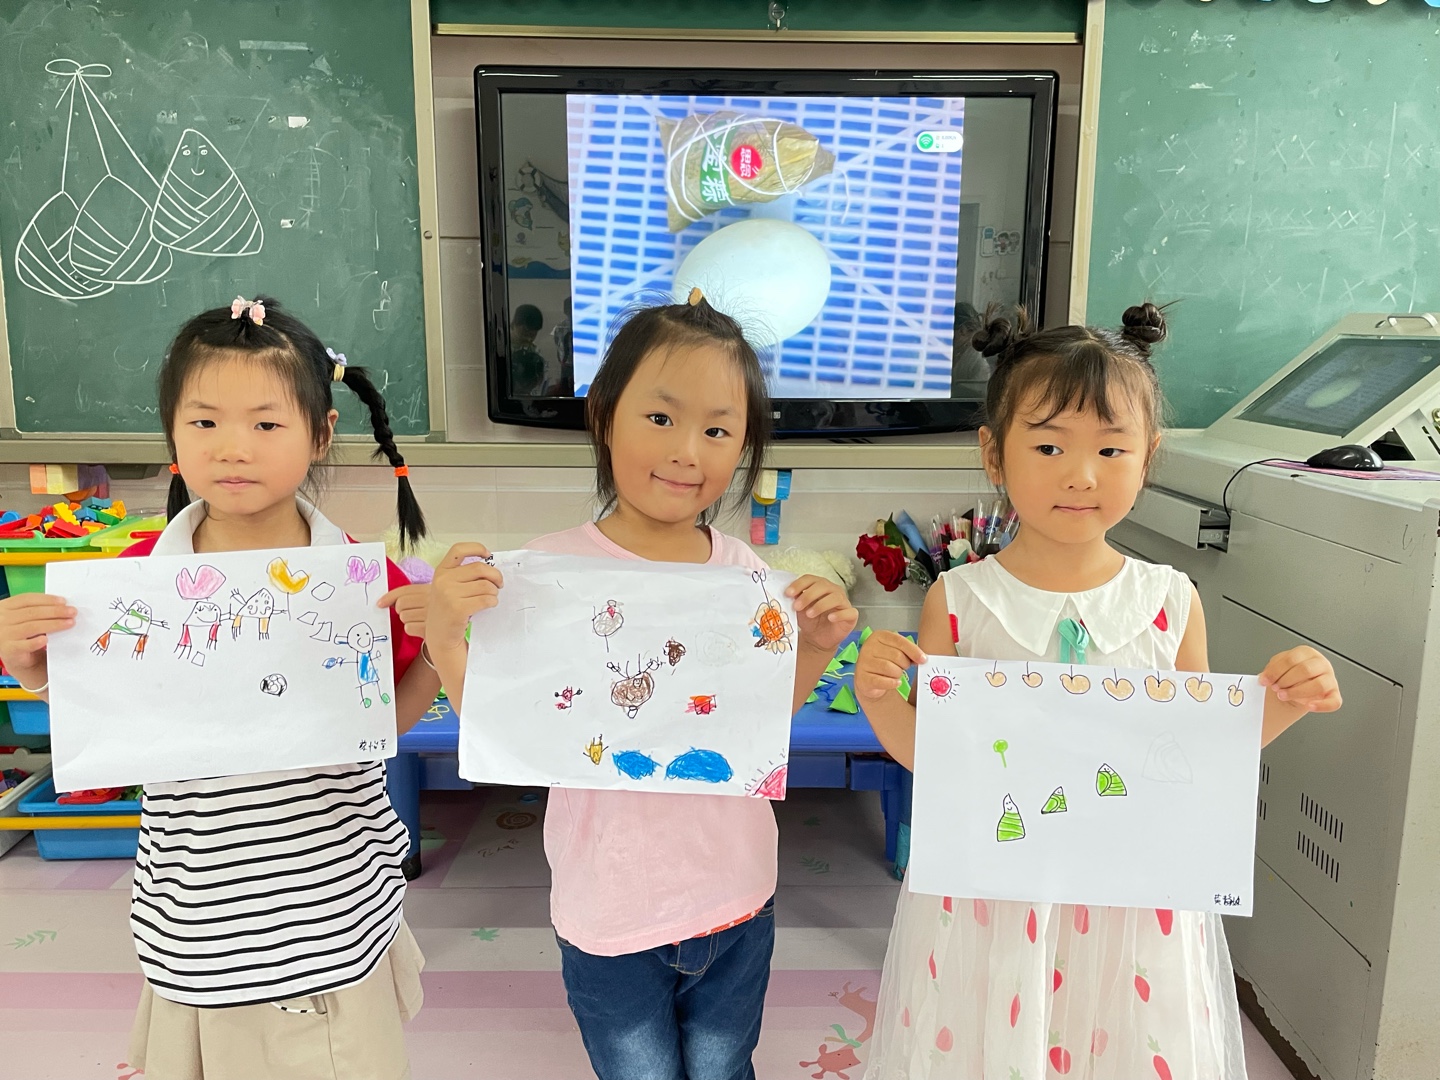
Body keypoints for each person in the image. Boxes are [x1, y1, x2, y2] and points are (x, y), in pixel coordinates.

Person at [854, 302, 1342, 1080]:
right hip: (997, 898)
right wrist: (882, 699)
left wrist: (1281, 702)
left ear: (1148, 457)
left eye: (1112, 449)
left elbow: (1191, 755)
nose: (1082, 475)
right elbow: (942, 759)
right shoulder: (962, 600)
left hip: (1133, 903)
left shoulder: (1170, 599)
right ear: (993, 453)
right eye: (1049, 446)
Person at [0, 295, 441, 1080]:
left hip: (332, 919)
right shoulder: (131, 581)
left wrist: (438, 650)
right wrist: (36, 669)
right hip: (194, 923)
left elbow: (384, 725)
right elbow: (114, 715)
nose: (233, 447)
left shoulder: (362, 580)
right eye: (204, 421)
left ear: (321, 433)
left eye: (266, 424)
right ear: (173, 432)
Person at [425, 288, 860, 1080]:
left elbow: (757, 724)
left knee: (725, 1065)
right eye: (660, 417)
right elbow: (502, 729)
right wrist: (446, 633)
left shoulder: (745, 574)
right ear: (603, 416)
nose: (688, 451)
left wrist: (817, 647)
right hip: (609, 909)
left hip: (737, 895)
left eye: (718, 430)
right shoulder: (548, 571)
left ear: (745, 445)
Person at [511, 303, 546, 395]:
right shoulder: (501, 349)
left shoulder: (533, 351)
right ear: (515, 324)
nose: (529, 339)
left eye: (533, 335)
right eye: (525, 332)